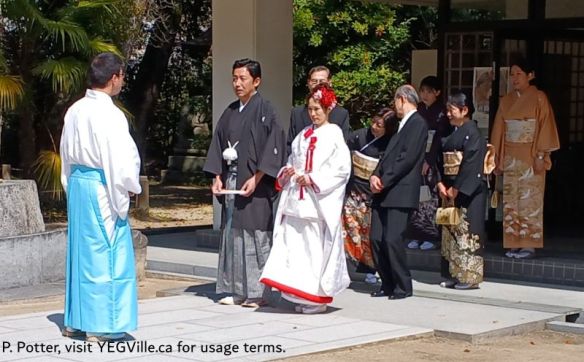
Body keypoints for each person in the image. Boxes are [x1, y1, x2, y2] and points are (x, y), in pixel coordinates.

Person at [60, 52, 141, 342]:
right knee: (106, 252)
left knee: (82, 252)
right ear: (114, 77)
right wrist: (128, 187)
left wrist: (70, 185)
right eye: (121, 76)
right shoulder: (110, 114)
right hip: (102, 184)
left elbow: (65, 154)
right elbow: (118, 159)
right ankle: (102, 324)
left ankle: (76, 320)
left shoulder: (75, 110)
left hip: (80, 183)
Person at [260, 83, 351, 314]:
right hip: (296, 201)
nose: (313, 113)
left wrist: (313, 179)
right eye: (310, 109)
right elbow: (291, 161)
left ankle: (317, 298)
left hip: (316, 203)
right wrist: (287, 173)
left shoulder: (334, 134)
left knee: (314, 251)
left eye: (318, 109)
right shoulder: (302, 135)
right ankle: (299, 294)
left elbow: (341, 169)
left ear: (328, 108)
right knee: (296, 250)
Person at [203, 58, 287, 308]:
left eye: (243, 79)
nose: (237, 84)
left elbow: (275, 146)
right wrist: (216, 176)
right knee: (232, 234)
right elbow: (217, 144)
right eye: (234, 78)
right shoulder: (229, 111)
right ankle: (235, 289)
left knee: (255, 236)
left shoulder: (266, 110)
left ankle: (259, 292)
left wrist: (258, 176)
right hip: (231, 181)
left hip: (255, 185)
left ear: (256, 81)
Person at [490, 58, 560, 259]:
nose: (514, 78)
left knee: (529, 201)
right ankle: (513, 242)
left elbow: (545, 125)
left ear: (531, 75)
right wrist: (496, 158)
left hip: (531, 154)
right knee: (511, 200)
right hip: (511, 155)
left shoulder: (539, 97)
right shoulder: (506, 100)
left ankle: (528, 243)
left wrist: (541, 154)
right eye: (512, 74)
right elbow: (499, 130)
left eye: (519, 73)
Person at [369, 85, 428, 299]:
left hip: (400, 190)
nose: (395, 107)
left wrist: (384, 180)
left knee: (393, 239)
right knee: (376, 239)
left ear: (402, 99)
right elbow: (387, 156)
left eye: (395, 102)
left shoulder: (417, 123)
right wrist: (376, 175)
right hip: (384, 189)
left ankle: (402, 285)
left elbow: (407, 158)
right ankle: (387, 283)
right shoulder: (401, 125)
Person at [437, 92, 488, 290]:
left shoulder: (473, 133)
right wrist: (440, 183)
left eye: (452, 109)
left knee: (467, 232)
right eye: (447, 109)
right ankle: (451, 273)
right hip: (448, 188)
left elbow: (470, 164)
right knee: (449, 233)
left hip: (467, 190)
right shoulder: (449, 133)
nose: (448, 114)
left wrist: (457, 188)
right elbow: (439, 160)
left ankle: (469, 276)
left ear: (464, 110)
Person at [343, 107, 397, 284]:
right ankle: (350, 268)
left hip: (371, 194)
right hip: (353, 191)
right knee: (350, 231)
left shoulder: (390, 143)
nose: (374, 127)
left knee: (369, 235)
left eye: (379, 125)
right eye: (373, 122)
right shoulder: (360, 135)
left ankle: (373, 269)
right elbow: (343, 148)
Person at [407, 76, 452, 251]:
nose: (424, 95)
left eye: (429, 91)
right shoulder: (418, 111)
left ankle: (431, 236)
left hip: (434, 159)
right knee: (417, 197)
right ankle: (416, 234)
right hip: (418, 156)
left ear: (437, 93)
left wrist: (430, 160)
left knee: (431, 198)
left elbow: (440, 139)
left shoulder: (442, 113)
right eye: (422, 91)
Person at [287, 65, 350, 154]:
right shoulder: (297, 113)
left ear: (329, 82)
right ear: (308, 83)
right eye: (314, 81)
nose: (318, 84)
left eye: (322, 81)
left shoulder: (341, 114)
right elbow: (290, 145)